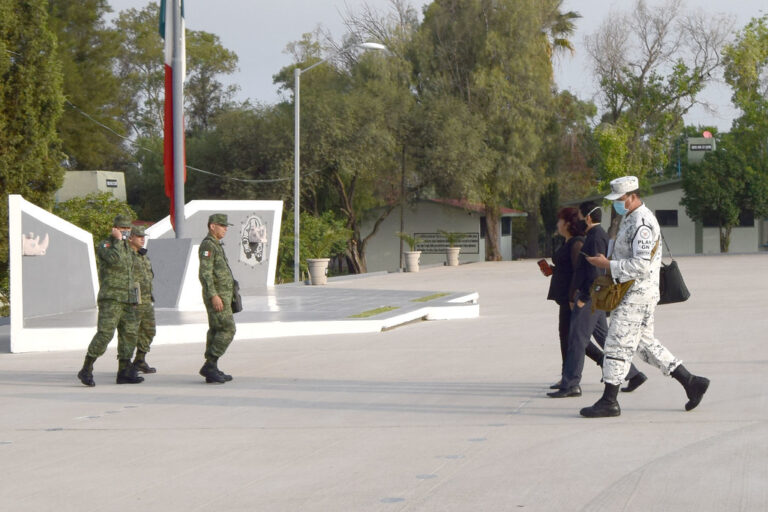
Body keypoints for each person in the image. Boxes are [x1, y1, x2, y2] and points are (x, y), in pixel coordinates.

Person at [580, 176, 710, 417]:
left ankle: (609, 400)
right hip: (634, 292)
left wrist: (608, 265)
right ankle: (691, 382)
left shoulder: (642, 222)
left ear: (632, 196)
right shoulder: (631, 217)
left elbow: (640, 264)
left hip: (636, 293)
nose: (616, 204)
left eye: (619, 200)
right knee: (644, 344)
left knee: (616, 344)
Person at [548, 201, 647, 398]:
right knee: (606, 340)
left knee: (576, 339)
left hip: (590, 297)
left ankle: (571, 384)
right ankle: (632, 374)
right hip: (595, 296)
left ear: (588, 217)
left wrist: (583, 296)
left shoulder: (592, 238)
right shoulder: (596, 236)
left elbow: (593, 271)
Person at [77, 215, 143, 386]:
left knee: (129, 335)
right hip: (111, 298)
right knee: (105, 334)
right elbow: (114, 260)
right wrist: (117, 241)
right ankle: (87, 368)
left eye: (128, 229)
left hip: (128, 299)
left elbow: (131, 273)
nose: (126, 232)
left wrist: (136, 297)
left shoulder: (127, 248)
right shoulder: (106, 244)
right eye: (122, 229)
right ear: (115, 229)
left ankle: (124, 371)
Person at [543, 207, 585, 387]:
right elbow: (566, 267)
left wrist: (573, 297)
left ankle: (569, 379)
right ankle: (567, 376)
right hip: (563, 297)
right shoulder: (566, 242)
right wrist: (553, 270)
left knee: (571, 338)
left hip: (571, 299)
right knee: (567, 336)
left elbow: (578, 271)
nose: (558, 224)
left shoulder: (577, 243)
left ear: (568, 224)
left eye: (560, 221)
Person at [198, 213, 237, 384]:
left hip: (224, 296)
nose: (225, 228)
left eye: (226, 226)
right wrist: (214, 295)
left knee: (215, 330)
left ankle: (212, 368)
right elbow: (205, 274)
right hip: (217, 296)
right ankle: (210, 364)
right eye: (222, 225)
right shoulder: (208, 245)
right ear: (212, 226)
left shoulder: (216, 245)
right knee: (228, 329)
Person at [121, 225, 157, 374]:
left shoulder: (143, 255)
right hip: (133, 300)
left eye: (144, 237)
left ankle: (140, 360)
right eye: (139, 236)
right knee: (130, 333)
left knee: (149, 330)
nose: (143, 239)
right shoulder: (125, 255)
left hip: (147, 300)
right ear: (130, 238)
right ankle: (126, 365)